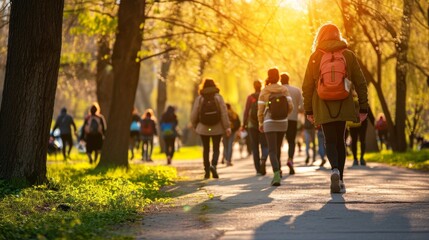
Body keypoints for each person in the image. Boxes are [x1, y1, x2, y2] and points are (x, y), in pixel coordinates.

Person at [302, 23, 368, 193]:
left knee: (329, 140)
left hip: (322, 104)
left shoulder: (316, 56)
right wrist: (363, 107)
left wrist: (308, 110)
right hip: (343, 102)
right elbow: (361, 82)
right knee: (340, 140)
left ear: (321, 36)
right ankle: (341, 181)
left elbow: (307, 86)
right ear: (338, 35)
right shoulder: (348, 54)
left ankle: (334, 170)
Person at [258, 67, 293, 186]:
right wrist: (284, 115)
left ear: (268, 76)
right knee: (278, 148)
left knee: (272, 150)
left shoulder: (265, 90)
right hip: (283, 123)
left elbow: (260, 109)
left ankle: (276, 174)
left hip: (269, 122)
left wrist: (260, 122)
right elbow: (291, 106)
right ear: (278, 77)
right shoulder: (283, 89)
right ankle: (279, 170)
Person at [191, 78, 231, 179]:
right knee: (216, 148)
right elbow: (224, 113)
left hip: (203, 128)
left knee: (206, 149)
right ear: (214, 85)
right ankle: (214, 165)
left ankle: (207, 170)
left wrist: (195, 125)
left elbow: (194, 113)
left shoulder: (200, 98)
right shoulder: (218, 97)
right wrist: (227, 127)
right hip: (217, 127)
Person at [242, 80, 269, 175]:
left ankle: (258, 169)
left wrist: (244, 124)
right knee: (265, 145)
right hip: (263, 123)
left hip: (252, 125)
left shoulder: (250, 97)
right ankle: (264, 159)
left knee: (255, 146)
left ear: (254, 86)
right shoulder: (264, 95)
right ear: (261, 86)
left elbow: (246, 111)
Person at [280, 72, 303, 171]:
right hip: (293, 119)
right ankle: (290, 159)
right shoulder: (296, 90)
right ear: (288, 79)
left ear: (280, 80)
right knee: (291, 141)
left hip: (280, 119)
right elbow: (302, 107)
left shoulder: (278, 90)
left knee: (278, 142)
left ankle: (278, 166)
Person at [348, 95, 375, 166]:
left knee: (354, 141)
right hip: (363, 123)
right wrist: (374, 124)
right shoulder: (364, 102)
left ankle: (355, 159)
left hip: (353, 123)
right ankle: (362, 158)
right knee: (362, 140)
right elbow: (369, 113)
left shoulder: (350, 102)